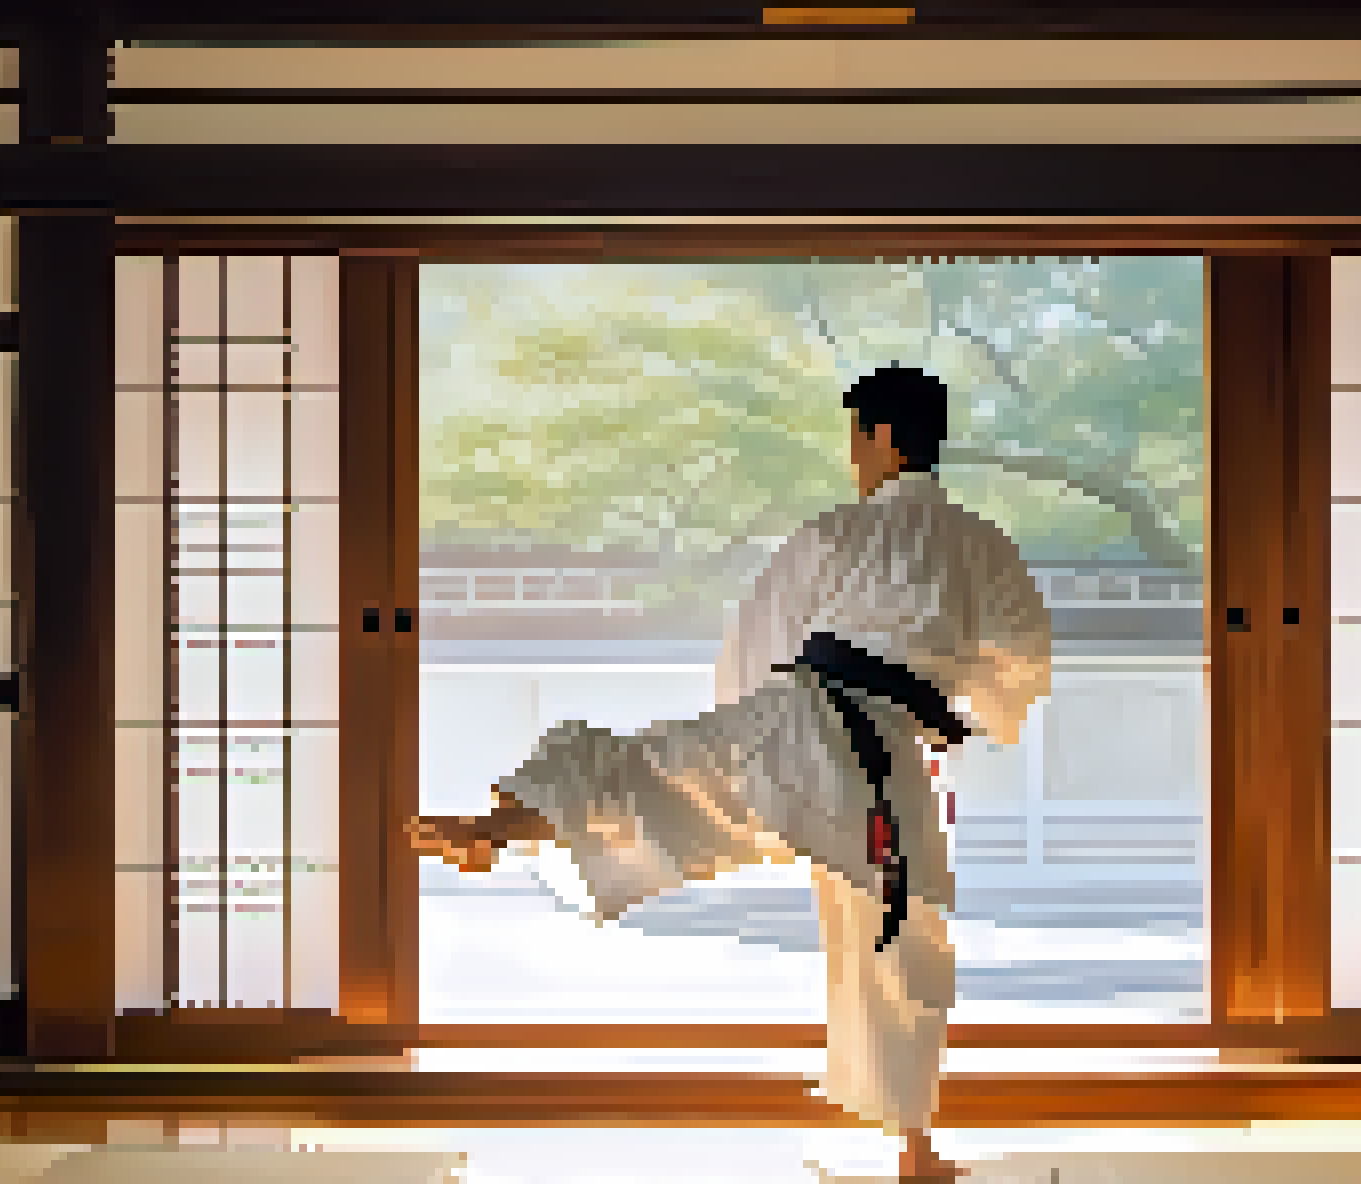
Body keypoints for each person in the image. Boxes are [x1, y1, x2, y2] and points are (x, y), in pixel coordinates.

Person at [410, 364, 1053, 1181]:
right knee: (901, 943)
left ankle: (502, 823)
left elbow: (759, 643)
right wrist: (958, 709)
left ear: (884, 438)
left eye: (857, 439)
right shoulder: (983, 545)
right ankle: (915, 1147)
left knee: (654, 771)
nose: (854, 458)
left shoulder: (835, 535)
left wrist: (750, 726)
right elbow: (1022, 656)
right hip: (890, 760)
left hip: (800, 725)